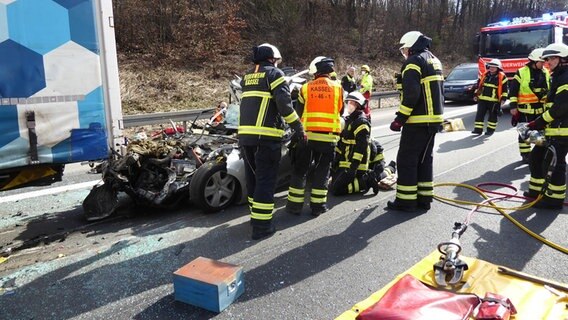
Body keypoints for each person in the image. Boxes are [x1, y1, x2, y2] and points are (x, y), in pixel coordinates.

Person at [239, 43, 305, 240]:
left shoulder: (246, 78)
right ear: (273, 58)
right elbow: (285, 106)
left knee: (253, 179)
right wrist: (299, 128)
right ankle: (262, 227)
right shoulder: (275, 75)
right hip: (266, 139)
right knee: (266, 182)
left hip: (246, 138)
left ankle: (254, 217)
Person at [387, 31, 444, 212]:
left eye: (404, 48)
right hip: (433, 120)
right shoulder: (434, 60)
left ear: (410, 46)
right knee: (424, 160)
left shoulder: (413, 62)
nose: (403, 52)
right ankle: (424, 199)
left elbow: (412, 94)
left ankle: (406, 201)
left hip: (417, 121)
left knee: (406, 160)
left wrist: (400, 119)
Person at [285, 57, 343, 216]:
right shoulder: (338, 88)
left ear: (315, 72)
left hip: (307, 136)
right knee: (322, 171)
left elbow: (298, 112)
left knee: (300, 170)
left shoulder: (305, 87)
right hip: (329, 138)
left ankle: (294, 207)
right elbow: (340, 111)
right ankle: (318, 207)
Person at [523, 43, 568, 209]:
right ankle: (536, 192)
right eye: (547, 59)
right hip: (552, 128)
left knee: (555, 165)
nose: (548, 62)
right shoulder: (557, 76)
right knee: (536, 158)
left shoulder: (565, 77)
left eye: (552, 58)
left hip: (562, 131)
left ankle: (554, 200)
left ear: (563, 59)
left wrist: (537, 122)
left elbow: (561, 107)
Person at [330, 91, 383, 196]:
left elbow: (361, 148)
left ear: (358, 105)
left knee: (337, 189)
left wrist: (353, 168)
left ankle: (366, 181)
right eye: (348, 102)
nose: (348, 105)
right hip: (345, 163)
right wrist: (335, 160)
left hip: (357, 165)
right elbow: (341, 142)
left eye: (351, 103)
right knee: (333, 184)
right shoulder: (349, 120)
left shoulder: (361, 122)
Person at [509, 48, 550, 163]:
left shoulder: (545, 72)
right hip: (525, 110)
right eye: (541, 62)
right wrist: (513, 106)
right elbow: (513, 91)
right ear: (534, 61)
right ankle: (525, 154)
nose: (543, 64)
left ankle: (540, 154)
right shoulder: (521, 72)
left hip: (541, 109)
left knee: (542, 133)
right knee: (525, 134)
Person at [472, 59, 508, 136]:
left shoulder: (502, 77)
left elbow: (505, 90)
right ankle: (478, 130)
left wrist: (503, 99)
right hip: (482, 99)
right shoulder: (484, 75)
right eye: (491, 66)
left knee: (492, 116)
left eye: (494, 67)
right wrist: (476, 95)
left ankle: (490, 130)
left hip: (494, 101)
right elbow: (479, 86)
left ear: (498, 68)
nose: (492, 68)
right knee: (479, 115)